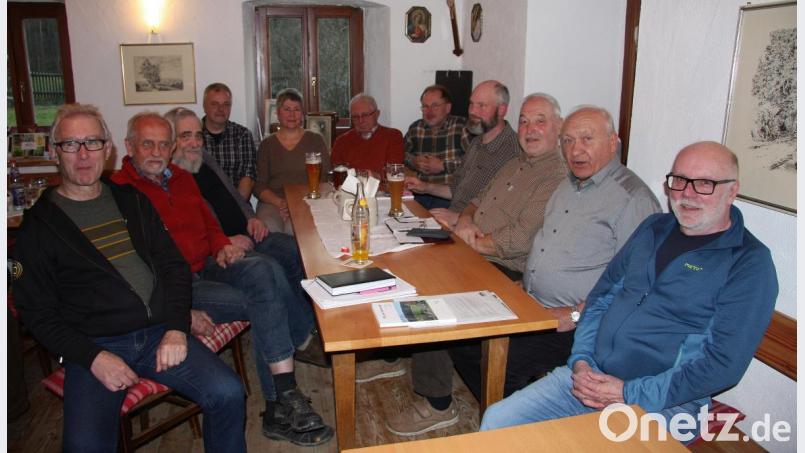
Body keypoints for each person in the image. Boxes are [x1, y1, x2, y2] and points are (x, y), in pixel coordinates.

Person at [481, 142, 778, 443]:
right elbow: (601, 299)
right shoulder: (653, 228)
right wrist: (582, 361)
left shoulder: (748, 263)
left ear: (732, 190)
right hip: (592, 374)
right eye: (680, 180)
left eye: (704, 184)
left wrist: (627, 392)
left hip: (668, 404)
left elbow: (722, 366)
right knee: (498, 421)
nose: (687, 194)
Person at [12, 104, 246, 451]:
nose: (82, 154)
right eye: (70, 144)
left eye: (92, 142)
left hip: (157, 331)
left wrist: (175, 326)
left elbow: (173, 268)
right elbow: (35, 312)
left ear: (107, 149)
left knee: (228, 393)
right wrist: (93, 358)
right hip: (93, 346)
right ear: (54, 151)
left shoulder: (131, 201)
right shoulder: (38, 227)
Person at [112, 112, 333, 446]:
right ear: (129, 146)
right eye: (147, 144)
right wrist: (179, 312)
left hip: (210, 263)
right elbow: (127, 268)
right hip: (178, 287)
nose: (157, 152)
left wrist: (222, 246)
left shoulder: (182, 178)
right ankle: (281, 402)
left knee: (264, 269)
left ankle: (282, 397)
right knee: (267, 296)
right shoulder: (118, 192)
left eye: (163, 144)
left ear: (170, 147)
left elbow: (210, 223)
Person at [450, 105, 661, 402]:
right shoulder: (568, 186)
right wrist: (525, 284)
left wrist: (575, 314)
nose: (576, 150)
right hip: (534, 302)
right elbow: (549, 246)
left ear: (612, 142)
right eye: (568, 141)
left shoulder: (632, 199)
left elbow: (636, 284)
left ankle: (524, 427)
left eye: (587, 139)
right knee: (462, 337)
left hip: (581, 323)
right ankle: (513, 411)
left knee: (499, 360)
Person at [165, 107, 326, 368]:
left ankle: (309, 324)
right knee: (271, 269)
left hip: (248, 230)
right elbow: (193, 229)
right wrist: (226, 239)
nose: (194, 142)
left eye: (198, 135)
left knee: (296, 249)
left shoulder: (203, 158)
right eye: (186, 136)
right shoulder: (171, 176)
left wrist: (251, 217)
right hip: (220, 251)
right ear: (170, 140)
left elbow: (232, 193)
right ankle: (302, 341)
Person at [453, 93, 566, 281]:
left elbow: (519, 240)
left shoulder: (556, 176)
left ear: (559, 126)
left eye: (540, 121)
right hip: (470, 253)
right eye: (523, 122)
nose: (530, 130)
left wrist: (467, 241)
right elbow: (478, 199)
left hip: (501, 268)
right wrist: (464, 220)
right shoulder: (514, 163)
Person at [406, 80, 519, 228]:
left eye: (481, 105)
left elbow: (505, 210)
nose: (472, 111)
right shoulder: (476, 142)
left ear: (502, 110)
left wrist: (458, 217)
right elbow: (456, 190)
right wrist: (425, 187)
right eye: (471, 104)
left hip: (474, 229)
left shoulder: (513, 151)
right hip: (451, 219)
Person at [253, 88, 330, 234]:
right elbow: (259, 185)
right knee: (268, 228)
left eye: (296, 109)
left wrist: (298, 203)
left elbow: (325, 177)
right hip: (274, 202)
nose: (292, 114)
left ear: (302, 114)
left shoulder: (315, 140)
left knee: (294, 230)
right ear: (278, 112)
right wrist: (281, 203)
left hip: (307, 201)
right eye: (287, 109)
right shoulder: (267, 144)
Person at [403, 84, 471, 209]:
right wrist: (413, 161)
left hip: (449, 195)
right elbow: (400, 155)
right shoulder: (416, 128)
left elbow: (474, 163)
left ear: (448, 107)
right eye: (425, 107)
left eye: (434, 106)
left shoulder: (462, 127)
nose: (429, 111)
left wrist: (443, 165)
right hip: (420, 192)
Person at [202, 82, 257, 200]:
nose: (221, 109)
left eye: (226, 104)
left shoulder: (242, 135)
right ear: (204, 106)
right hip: (202, 207)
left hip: (236, 203)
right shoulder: (193, 136)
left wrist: (234, 208)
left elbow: (247, 176)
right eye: (214, 104)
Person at [330, 93, 404, 177]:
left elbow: (394, 172)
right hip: (349, 189)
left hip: (382, 189)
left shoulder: (393, 136)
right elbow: (336, 172)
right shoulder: (342, 141)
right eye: (355, 116)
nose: (360, 120)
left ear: (377, 114)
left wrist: (374, 176)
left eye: (365, 115)